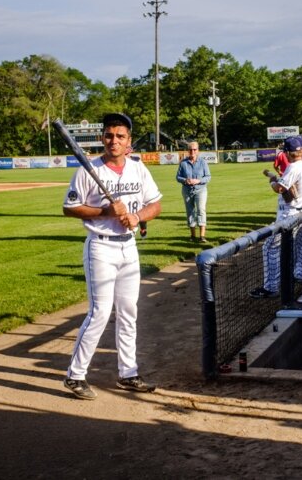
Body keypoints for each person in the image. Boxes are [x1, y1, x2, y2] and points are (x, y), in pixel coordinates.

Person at [62, 112, 162, 400]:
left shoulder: (138, 169)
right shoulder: (87, 169)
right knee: (100, 312)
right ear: (102, 138)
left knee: (129, 311)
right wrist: (105, 211)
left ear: (128, 141)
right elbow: (69, 208)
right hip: (101, 246)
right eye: (108, 135)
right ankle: (75, 375)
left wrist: (137, 215)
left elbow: (155, 204)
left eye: (120, 136)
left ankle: (128, 373)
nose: (113, 140)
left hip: (128, 246)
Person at [250, 136, 302, 299]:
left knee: (270, 247)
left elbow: (279, 189)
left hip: (289, 215)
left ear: (287, 153)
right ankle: (295, 276)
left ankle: (271, 287)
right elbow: (288, 192)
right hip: (301, 211)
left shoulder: (293, 167)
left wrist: (272, 182)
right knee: (294, 247)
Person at [176, 141, 211, 243]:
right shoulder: (183, 163)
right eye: (190, 149)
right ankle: (192, 235)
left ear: (198, 150)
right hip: (187, 190)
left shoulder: (203, 162)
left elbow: (208, 177)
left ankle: (202, 236)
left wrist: (198, 181)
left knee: (201, 210)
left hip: (200, 190)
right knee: (190, 212)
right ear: (188, 151)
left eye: (194, 149)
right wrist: (185, 180)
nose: (192, 151)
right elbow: (178, 177)